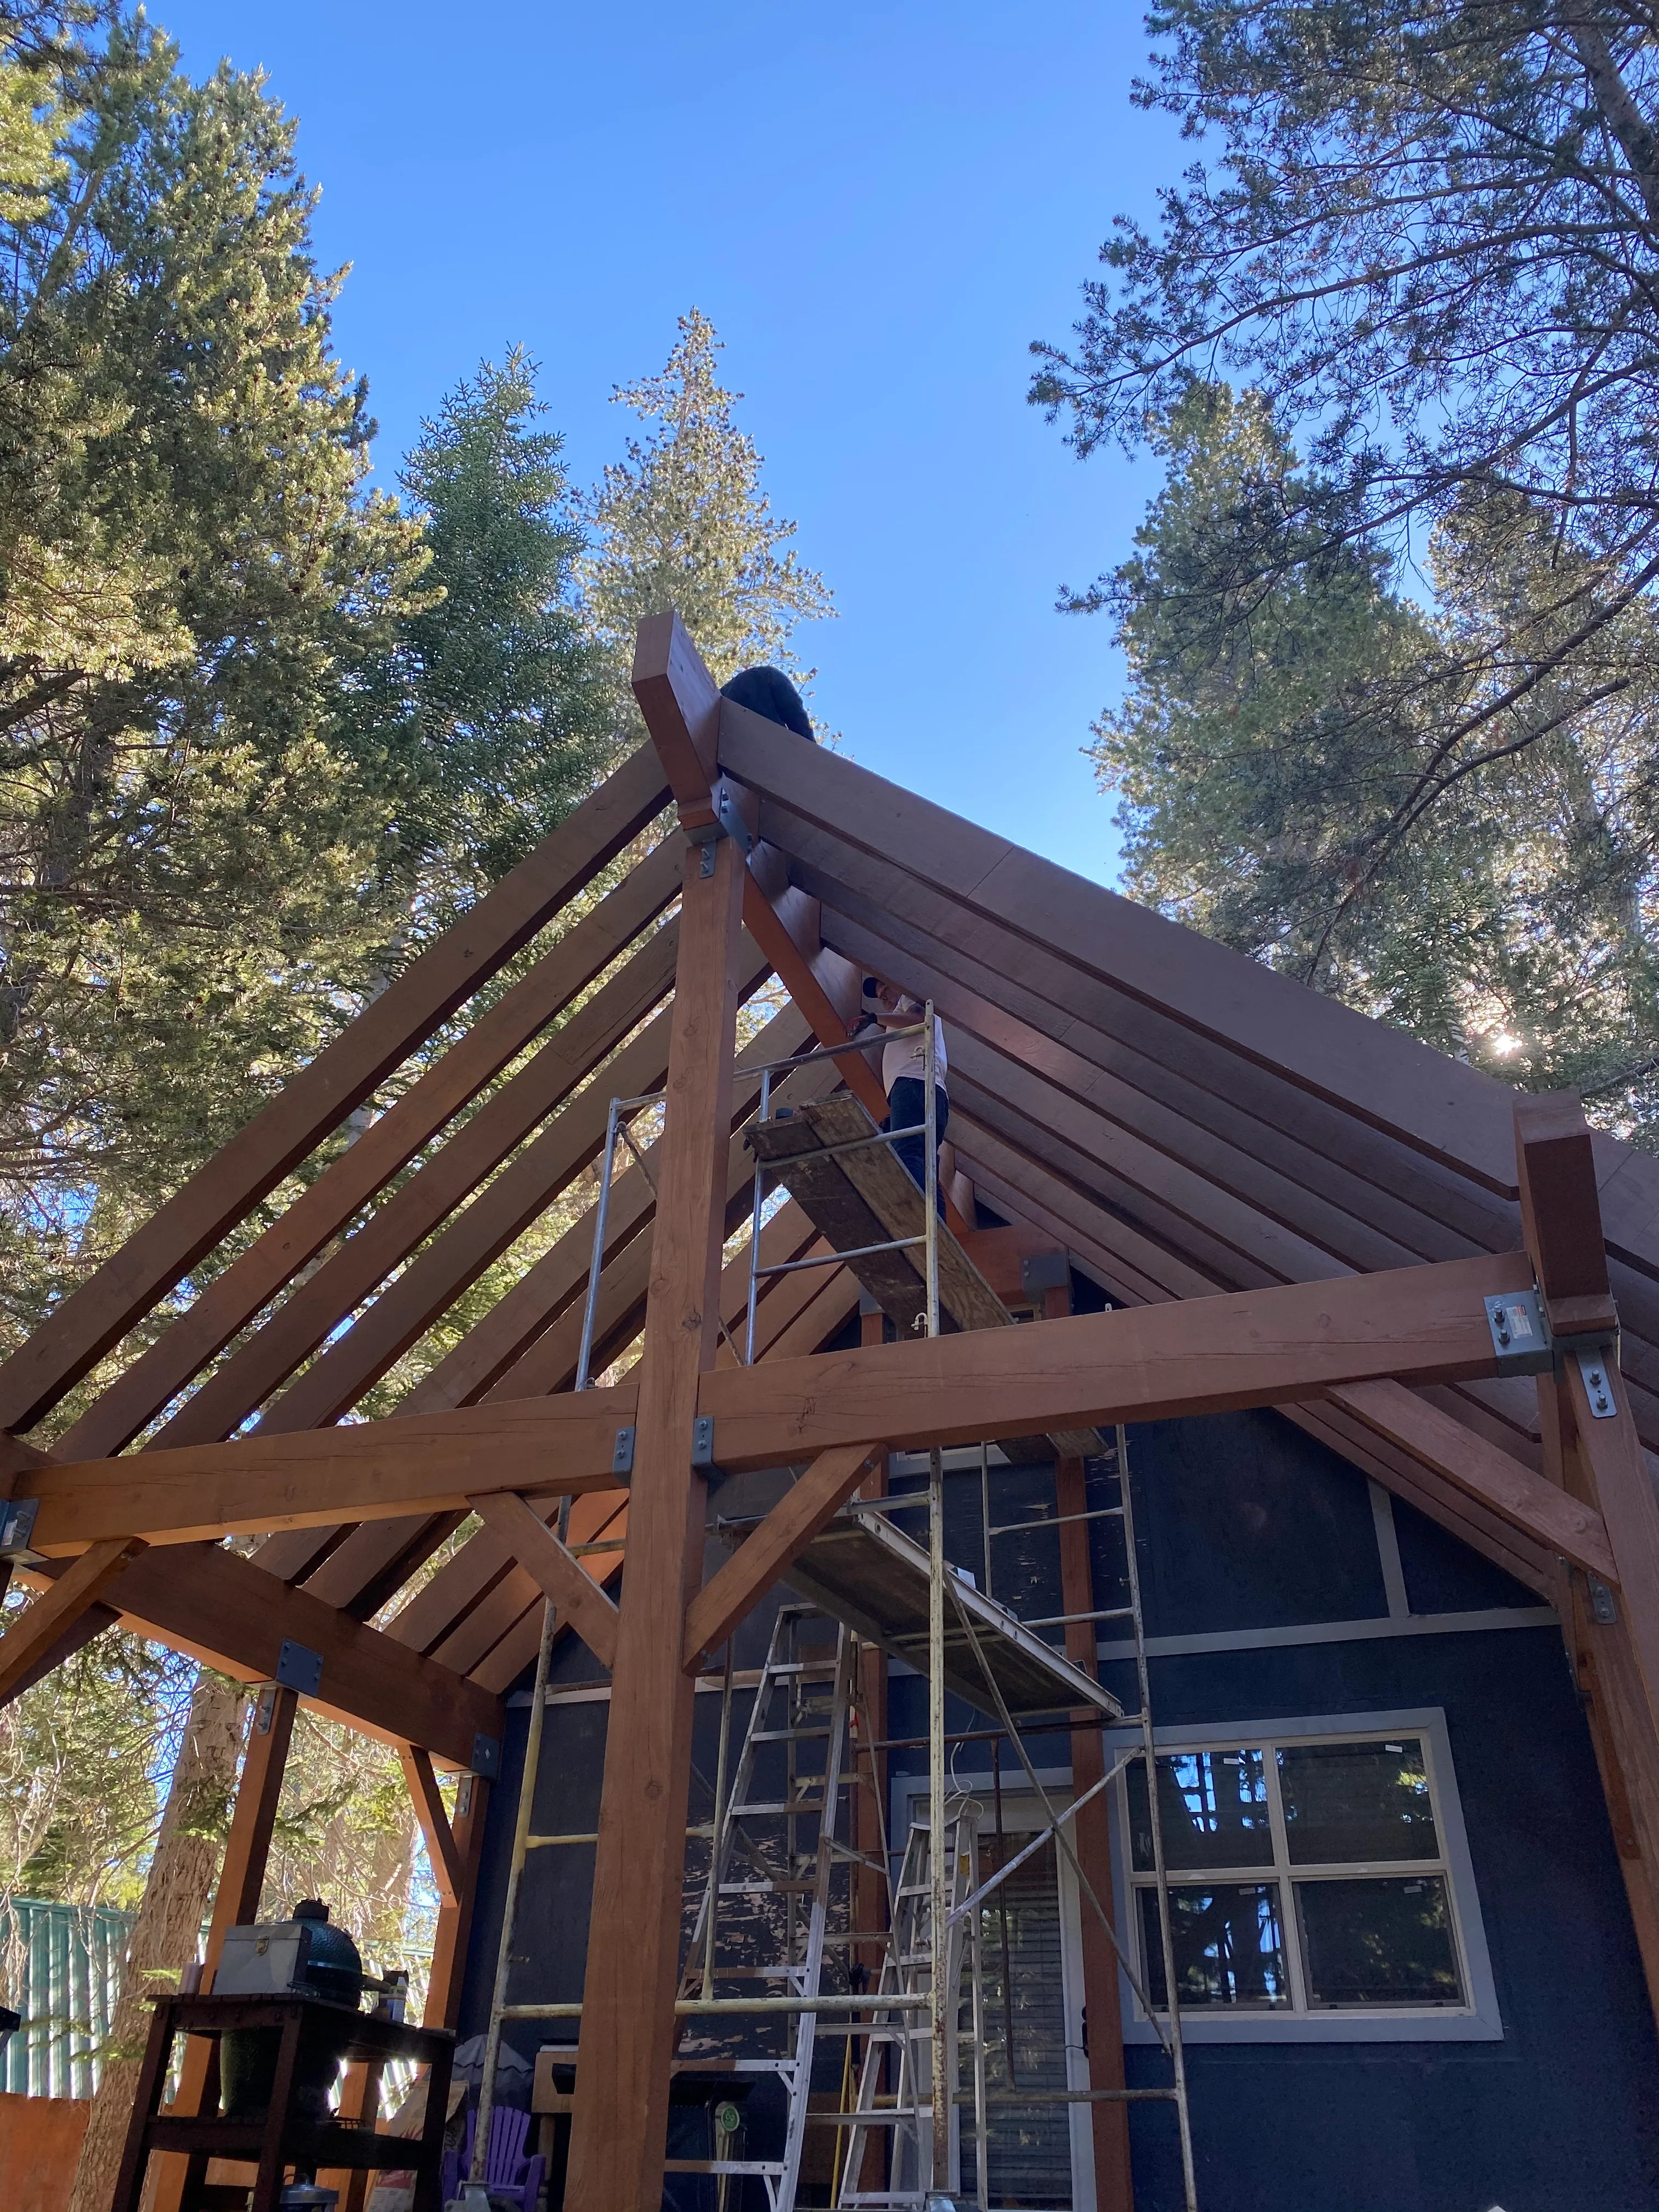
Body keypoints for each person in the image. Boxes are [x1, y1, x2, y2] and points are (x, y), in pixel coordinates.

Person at [861, 975, 947, 1193]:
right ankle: (933, 1222)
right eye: (880, 998)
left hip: (913, 1083)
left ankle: (917, 1212)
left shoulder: (908, 1002)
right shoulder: (897, 1020)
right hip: (926, 1089)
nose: (885, 999)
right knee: (925, 1163)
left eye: (887, 990)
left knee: (907, 1152)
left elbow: (920, 1018)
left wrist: (874, 1018)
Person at [720, 664, 814, 741]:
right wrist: (815, 755)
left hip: (723, 719)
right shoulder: (774, 678)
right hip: (754, 691)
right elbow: (796, 715)